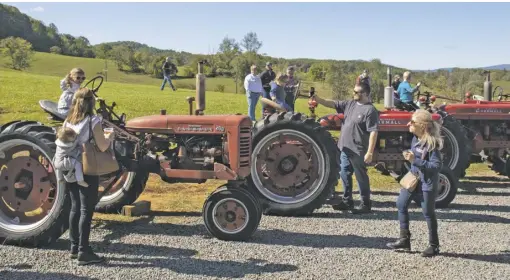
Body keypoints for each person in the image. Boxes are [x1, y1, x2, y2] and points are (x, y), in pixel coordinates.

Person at [59, 87, 115, 265]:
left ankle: (74, 247)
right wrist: (110, 137)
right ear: (92, 102)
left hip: (69, 166)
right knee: (86, 209)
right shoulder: (93, 121)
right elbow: (103, 146)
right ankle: (84, 251)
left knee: (75, 207)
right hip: (87, 167)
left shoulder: (68, 121)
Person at [312, 77, 379, 213]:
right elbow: (332, 103)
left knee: (361, 176)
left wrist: (370, 152)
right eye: (354, 91)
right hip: (345, 148)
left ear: (365, 94)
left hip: (358, 149)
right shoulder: (350, 104)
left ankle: (365, 204)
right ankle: (347, 201)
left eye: (356, 92)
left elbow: (373, 132)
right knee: (344, 174)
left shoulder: (370, 111)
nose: (353, 94)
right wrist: (317, 99)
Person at [386, 109, 443, 257]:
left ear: (422, 126)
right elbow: (414, 160)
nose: (408, 124)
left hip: (427, 183)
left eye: (412, 122)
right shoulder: (414, 139)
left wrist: (414, 160)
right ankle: (404, 239)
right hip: (413, 180)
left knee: (428, 213)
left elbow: (436, 167)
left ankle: (434, 245)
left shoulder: (432, 144)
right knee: (401, 204)